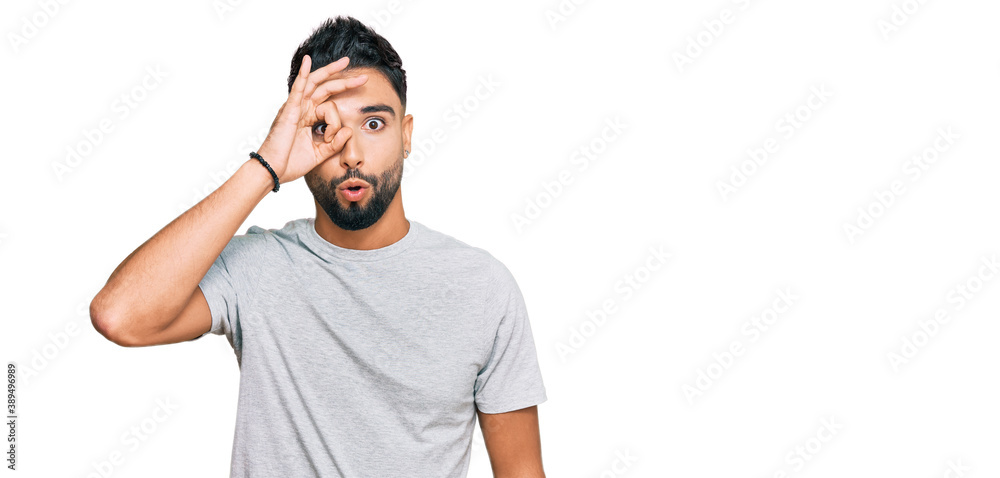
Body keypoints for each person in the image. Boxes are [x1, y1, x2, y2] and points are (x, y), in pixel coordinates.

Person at [89, 15, 548, 477]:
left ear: (406, 135)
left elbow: (522, 472)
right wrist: (266, 166)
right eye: (326, 128)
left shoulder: (481, 287)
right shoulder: (257, 268)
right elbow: (119, 315)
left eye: (373, 123)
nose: (351, 154)